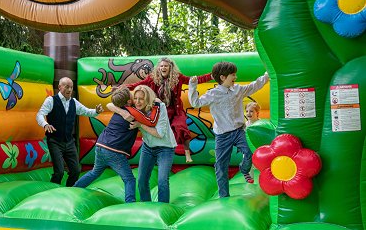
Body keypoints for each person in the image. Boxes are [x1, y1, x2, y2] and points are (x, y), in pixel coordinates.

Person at [188, 61, 269, 198]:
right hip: (222, 135)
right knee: (221, 166)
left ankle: (244, 169)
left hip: (239, 131)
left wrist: (267, 75)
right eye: (233, 75)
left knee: (250, 151)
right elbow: (196, 103)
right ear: (223, 77)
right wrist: (192, 86)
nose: (235, 77)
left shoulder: (237, 89)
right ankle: (224, 195)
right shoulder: (213, 94)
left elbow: (254, 86)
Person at [126, 57, 212, 163]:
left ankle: (187, 153)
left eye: (166, 66)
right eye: (161, 66)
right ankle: (155, 152)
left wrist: (211, 76)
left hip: (175, 110)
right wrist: (124, 88)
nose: (163, 68)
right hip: (159, 109)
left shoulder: (178, 77)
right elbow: (138, 85)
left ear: (170, 67)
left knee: (180, 127)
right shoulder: (152, 78)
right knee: (154, 127)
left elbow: (193, 80)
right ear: (158, 68)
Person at [110, 85, 177, 203]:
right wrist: (122, 112)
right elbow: (109, 105)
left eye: (141, 99)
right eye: (135, 98)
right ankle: (146, 205)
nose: (138, 102)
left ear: (148, 98)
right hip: (148, 147)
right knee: (141, 180)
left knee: (162, 180)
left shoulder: (159, 107)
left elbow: (159, 134)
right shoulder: (135, 108)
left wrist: (140, 125)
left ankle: (163, 207)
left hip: (165, 148)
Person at [73, 87, 139, 202]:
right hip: (114, 151)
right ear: (128, 101)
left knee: (95, 172)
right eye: (131, 95)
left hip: (100, 146)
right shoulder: (132, 113)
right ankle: (130, 203)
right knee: (129, 179)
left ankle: (74, 189)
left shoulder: (119, 108)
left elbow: (110, 104)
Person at [36, 77, 104, 186]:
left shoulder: (74, 102)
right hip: (55, 141)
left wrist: (96, 111)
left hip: (69, 142)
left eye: (71, 87)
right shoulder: (51, 100)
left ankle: (68, 191)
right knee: (59, 172)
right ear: (59, 87)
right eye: (67, 87)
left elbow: (86, 111)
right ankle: (52, 192)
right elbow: (39, 114)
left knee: (76, 171)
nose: (69, 90)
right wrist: (45, 124)